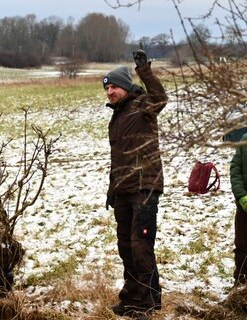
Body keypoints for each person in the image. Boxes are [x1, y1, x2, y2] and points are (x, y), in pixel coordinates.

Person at [103, 49, 168, 319]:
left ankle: (145, 303)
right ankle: (134, 298)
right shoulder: (117, 116)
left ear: (127, 87)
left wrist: (145, 71)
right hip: (123, 190)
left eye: (114, 87)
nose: (110, 92)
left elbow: (160, 97)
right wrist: (111, 190)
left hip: (144, 188)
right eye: (106, 88)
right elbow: (117, 158)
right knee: (126, 248)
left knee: (141, 247)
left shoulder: (143, 106)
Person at [230, 133, 247, 285]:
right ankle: (241, 281)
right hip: (244, 207)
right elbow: (235, 170)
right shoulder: (244, 140)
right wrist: (242, 197)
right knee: (241, 244)